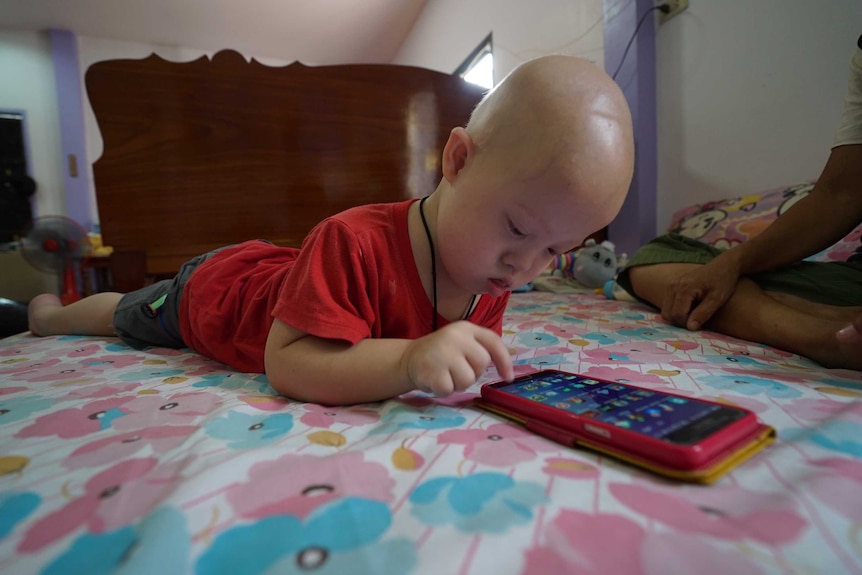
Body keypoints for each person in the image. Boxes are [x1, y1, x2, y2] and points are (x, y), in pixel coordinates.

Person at [28, 55, 635, 405]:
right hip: (211, 294)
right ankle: (53, 315)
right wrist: (409, 361)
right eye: (517, 228)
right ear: (457, 161)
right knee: (126, 314)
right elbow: (289, 364)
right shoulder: (352, 240)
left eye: (554, 252)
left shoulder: (489, 277)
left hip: (281, 271)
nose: (523, 268)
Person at [617, 37, 862, 371]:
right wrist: (731, 264)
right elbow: (840, 194)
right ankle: (829, 334)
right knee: (654, 259)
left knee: (696, 288)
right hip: (851, 280)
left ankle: (808, 323)